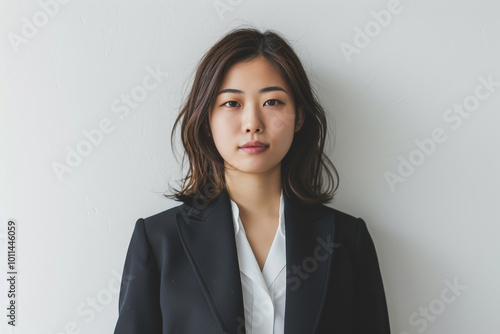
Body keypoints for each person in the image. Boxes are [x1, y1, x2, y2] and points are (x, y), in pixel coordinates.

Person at [114, 27, 390, 334]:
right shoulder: (158, 241)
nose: (252, 124)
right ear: (207, 121)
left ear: (299, 117)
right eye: (232, 103)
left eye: (272, 102)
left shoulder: (346, 240)